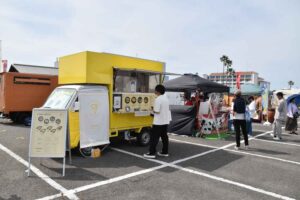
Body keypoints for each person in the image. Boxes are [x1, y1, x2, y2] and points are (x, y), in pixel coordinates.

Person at [144, 85, 172, 159]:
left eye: (155, 90)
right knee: (164, 137)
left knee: (154, 138)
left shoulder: (158, 99)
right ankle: (165, 152)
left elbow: (157, 111)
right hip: (165, 121)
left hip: (158, 122)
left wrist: (152, 110)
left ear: (157, 91)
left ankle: (151, 153)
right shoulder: (166, 99)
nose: (154, 91)